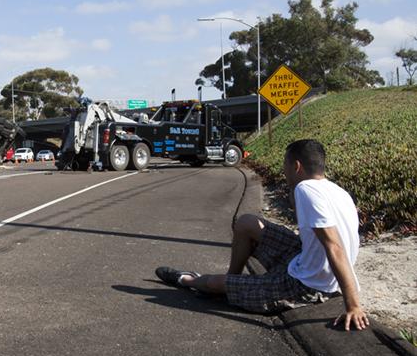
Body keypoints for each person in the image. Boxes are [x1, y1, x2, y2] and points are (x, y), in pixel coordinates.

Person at [155, 139, 369, 331]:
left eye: (285, 165)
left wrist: (353, 305)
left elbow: (334, 246)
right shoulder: (337, 191)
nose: (284, 171)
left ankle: (187, 279)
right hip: (306, 260)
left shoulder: (304, 189)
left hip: (307, 286)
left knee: (212, 285)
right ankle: (234, 280)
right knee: (246, 223)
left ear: (296, 166)